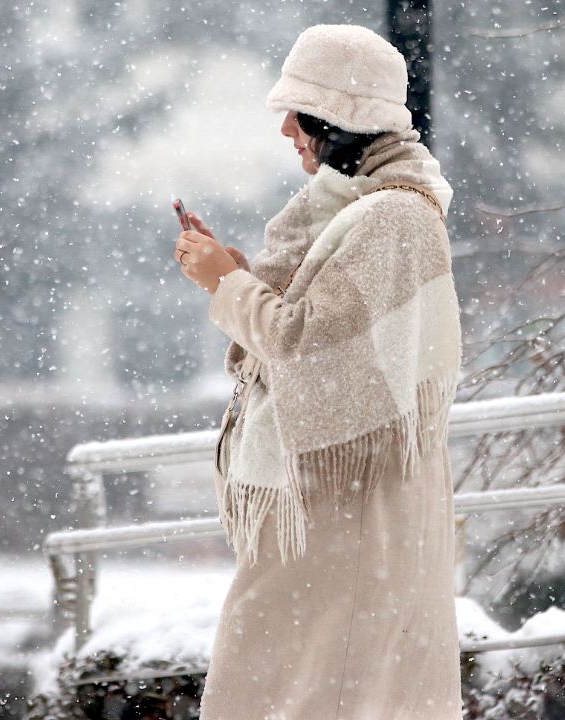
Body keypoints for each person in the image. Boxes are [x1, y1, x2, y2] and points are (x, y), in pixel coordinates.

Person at [172, 23, 464, 720]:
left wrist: (227, 288)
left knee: (310, 694)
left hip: (350, 516)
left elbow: (309, 347)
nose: (286, 131)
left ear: (339, 117)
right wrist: (238, 278)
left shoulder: (393, 220)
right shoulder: (357, 213)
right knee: (289, 688)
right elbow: (321, 337)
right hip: (332, 509)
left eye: (297, 112)